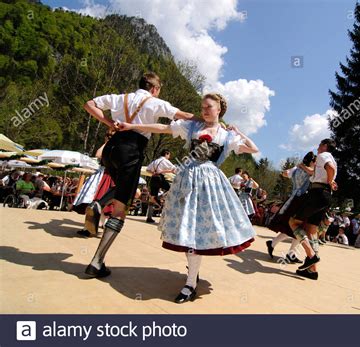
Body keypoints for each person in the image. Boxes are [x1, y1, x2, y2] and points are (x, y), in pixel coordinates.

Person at [117, 93, 259, 303]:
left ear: (219, 109)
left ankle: (191, 281)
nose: (204, 110)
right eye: (202, 107)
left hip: (210, 185)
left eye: (209, 107)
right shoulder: (192, 127)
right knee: (188, 230)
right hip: (186, 181)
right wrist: (131, 126)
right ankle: (191, 279)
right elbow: (164, 128)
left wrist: (238, 131)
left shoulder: (227, 136)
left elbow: (254, 149)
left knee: (200, 231)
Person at [82, 72, 195, 278]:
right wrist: (207, 120)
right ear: (154, 88)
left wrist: (108, 123)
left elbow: (89, 104)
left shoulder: (120, 97)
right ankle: (96, 262)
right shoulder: (155, 102)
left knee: (123, 189)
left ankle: (99, 203)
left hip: (111, 149)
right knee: (120, 208)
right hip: (131, 151)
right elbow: (183, 116)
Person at [288, 138, 338, 280]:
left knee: (293, 222)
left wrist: (329, 180)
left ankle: (311, 256)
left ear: (325, 146)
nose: (317, 147)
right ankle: (312, 270)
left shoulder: (323, 156)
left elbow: (330, 169)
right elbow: (320, 173)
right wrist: (330, 181)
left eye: (320, 145)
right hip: (326, 195)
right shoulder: (332, 159)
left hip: (317, 194)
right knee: (311, 230)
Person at [267, 151, 315, 264]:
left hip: (292, 198)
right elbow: (312, 172)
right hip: (300, 201)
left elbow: (284, 173)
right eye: (315, 162)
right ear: (312, 161)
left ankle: (290, 253)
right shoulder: (311, 171)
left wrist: (296, 168)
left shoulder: (296, 169)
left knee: (296, 229)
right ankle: (279, 247)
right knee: (296, 228)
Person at [146, 149, 176, 223]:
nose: (169, 156)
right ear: (166, 154)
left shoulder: (155, 161)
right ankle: (158, 198)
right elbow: (175, 169)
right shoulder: (165, 161)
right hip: (160, 178)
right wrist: (165, 171)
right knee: (172, 189)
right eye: (169, 155)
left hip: (153, 178)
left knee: (152, 197)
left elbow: (147, 170)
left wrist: (154, 172)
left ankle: (149, 217)